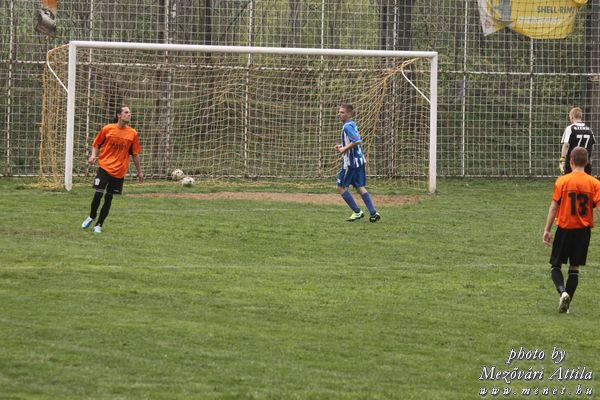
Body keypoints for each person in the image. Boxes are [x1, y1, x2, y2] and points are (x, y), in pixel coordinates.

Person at [543, 147, 600, 313]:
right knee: (574, 269)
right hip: (583, 232)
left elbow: (554, 206)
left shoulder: (562, 181)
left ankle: (562, 292)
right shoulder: (595, 183)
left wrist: (547, 229)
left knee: (555, 266)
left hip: (564, 229)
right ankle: (566, 305)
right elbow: (599, 209)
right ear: (587, 162)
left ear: (571, 162)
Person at [81, 106, 144, 233]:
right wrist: (93, 155)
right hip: (104, 167)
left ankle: (99, 225)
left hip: (119, 171)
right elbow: (96, 144)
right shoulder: (107, 129)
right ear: (119, 115)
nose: (129, 114)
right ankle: (92, 216)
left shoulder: (133, 133)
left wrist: (139, 172)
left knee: (108, 198)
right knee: (98, 193)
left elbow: (135, 154)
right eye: (126, 112)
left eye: (130, 113)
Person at [334, 104, 380, 223]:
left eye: (342, 112)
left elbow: (357, 141)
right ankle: (373, 213)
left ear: (349, 114)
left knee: (340, 187)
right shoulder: (352, 124)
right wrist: (342, 146)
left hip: (351, 163)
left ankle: (357, 211)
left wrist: (343, 149)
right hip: (359, 161)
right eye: (339, 112)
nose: (339, 114)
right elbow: (354, 141)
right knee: (359, 187)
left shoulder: (346, 126)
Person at [559, 107, 596, 175]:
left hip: (572, 163)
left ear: (572, 117)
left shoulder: (570, 128)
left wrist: (562, 160)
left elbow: (566, 145)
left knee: (570, 180)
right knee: (585, 181)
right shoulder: (589, 129)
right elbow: (592, 147)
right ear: (581, 116)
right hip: (585, 163)